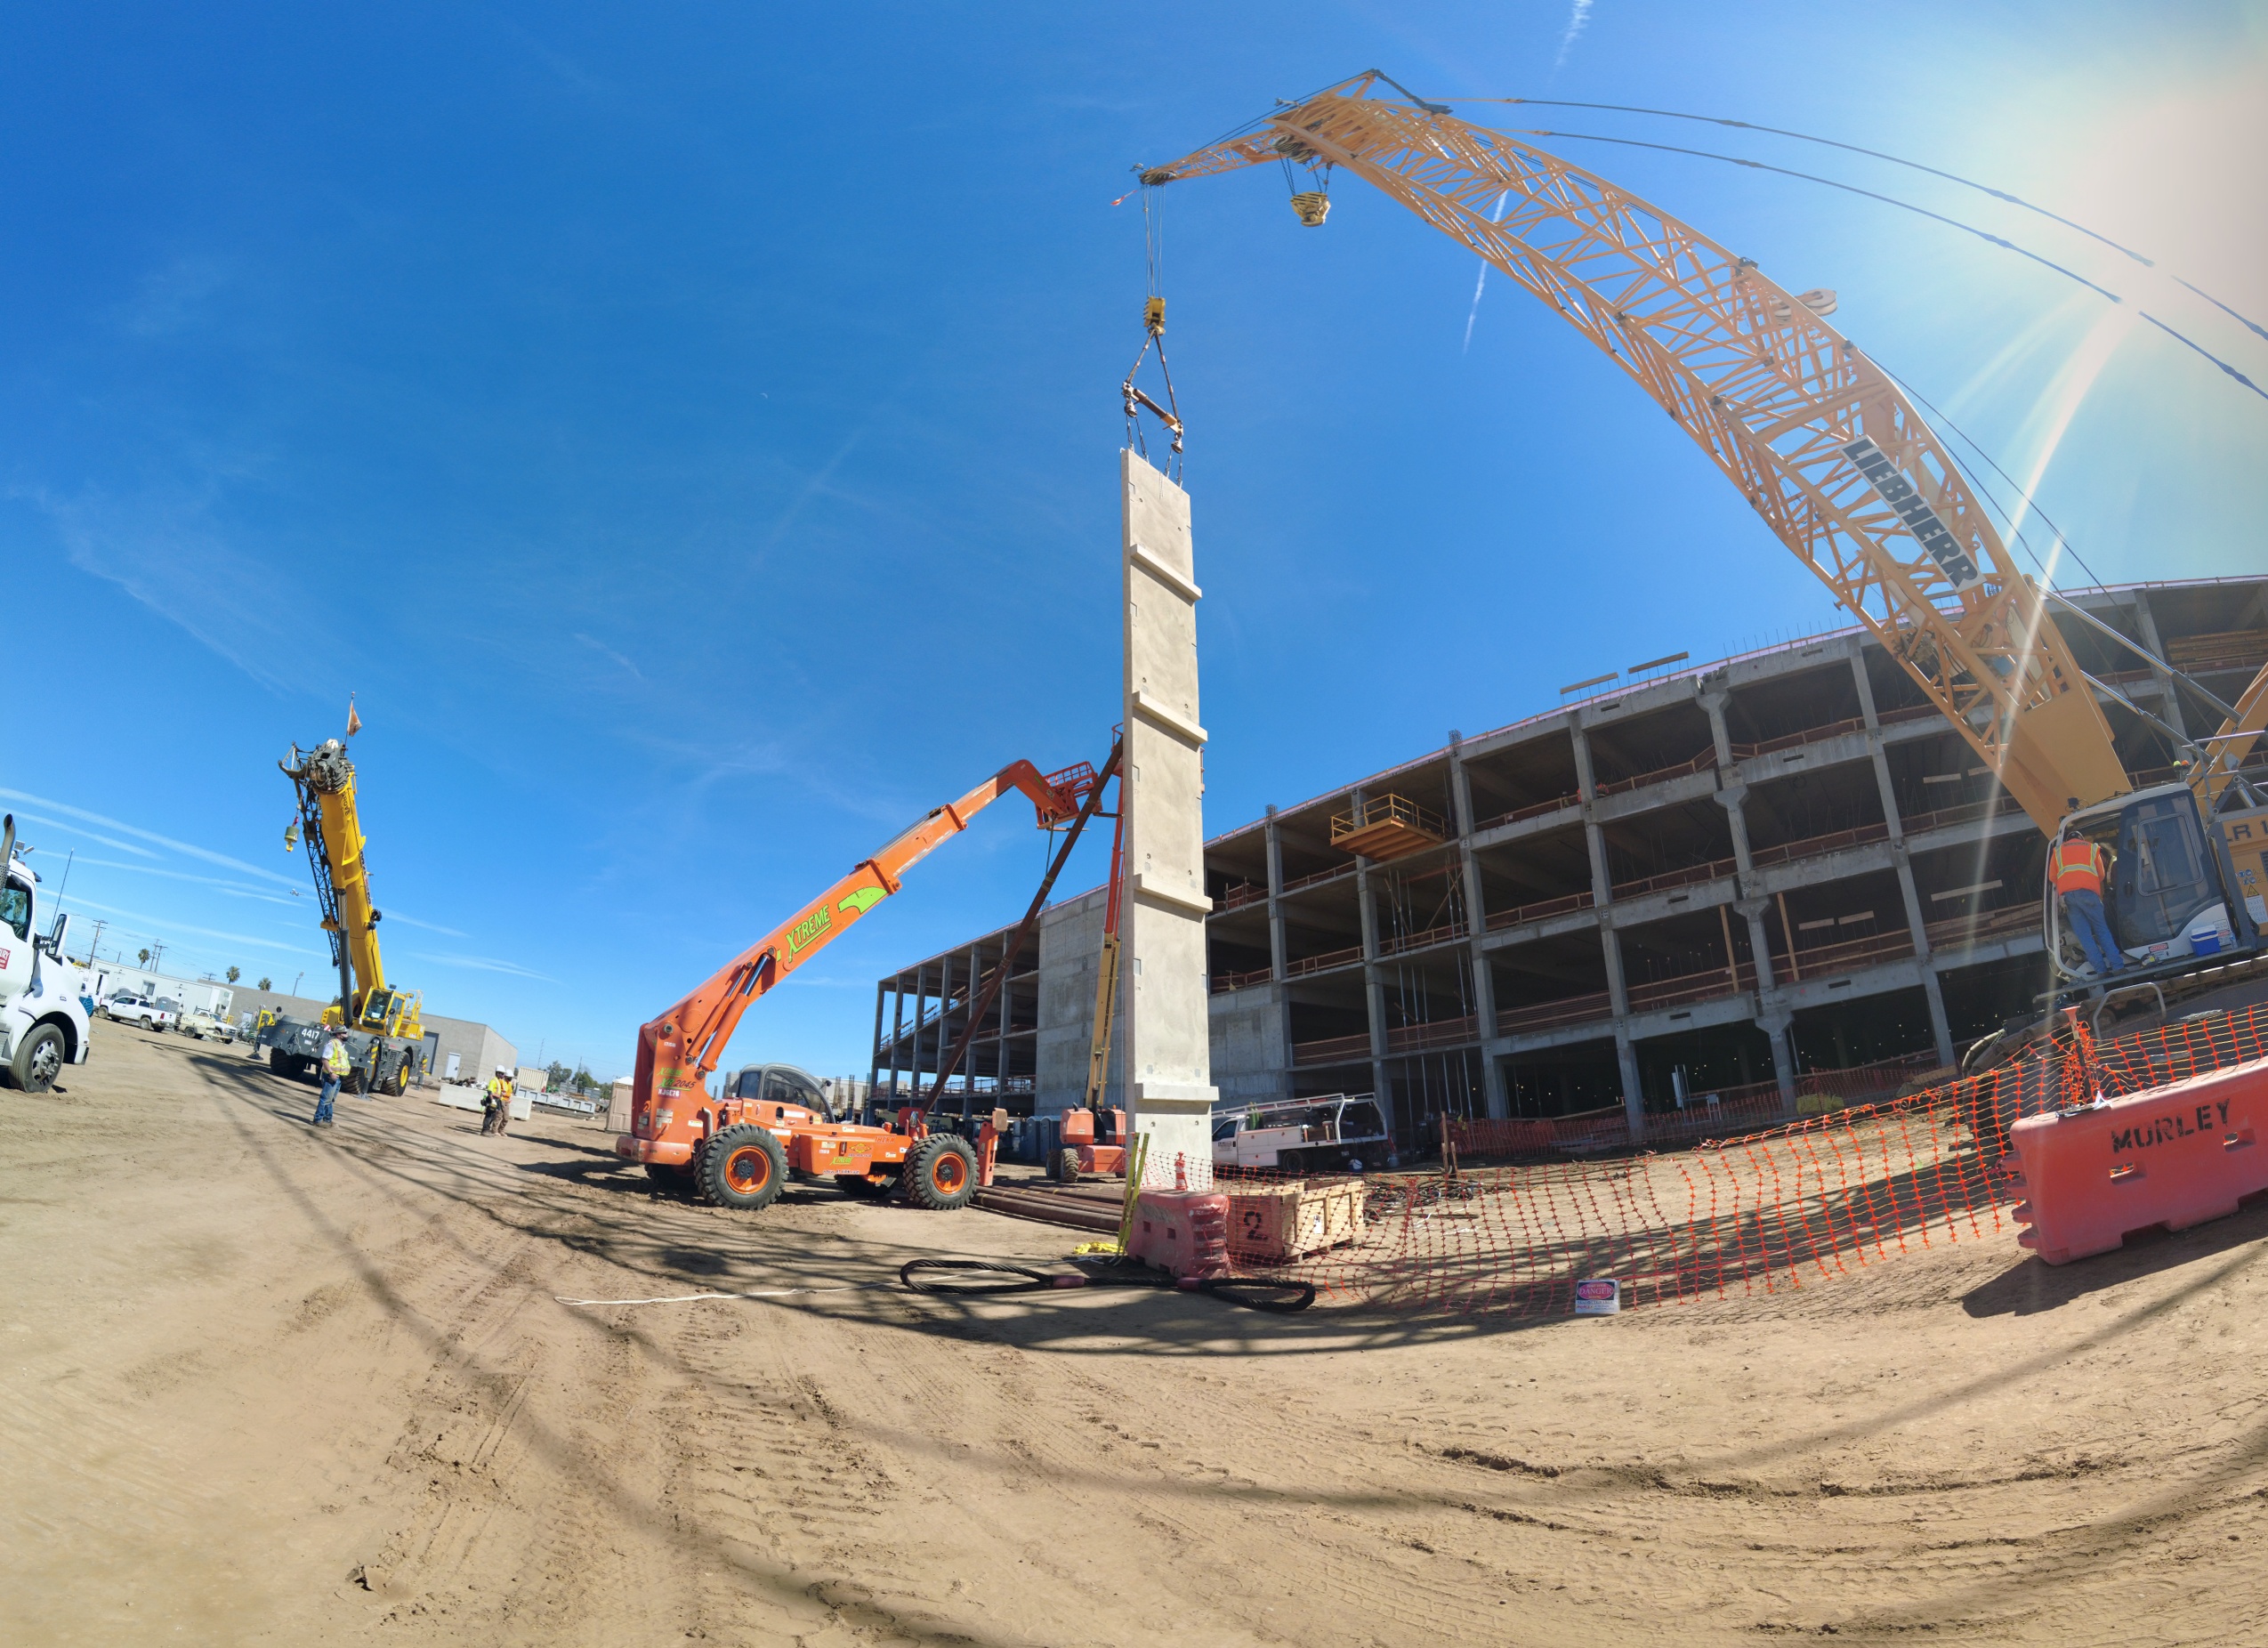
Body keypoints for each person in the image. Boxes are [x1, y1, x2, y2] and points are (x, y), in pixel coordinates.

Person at [2054, 830, 2125, 979]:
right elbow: (2101, 874)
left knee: (2084, 936)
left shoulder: (2058, 852)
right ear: (2081, 839)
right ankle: (2117, 967)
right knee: (2101, 930)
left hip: (2068, 898)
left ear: (2067, 841)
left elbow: (2052, 877)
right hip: (2088, 895)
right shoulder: (2092, 848)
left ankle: (2101, 971)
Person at [314, 1030, 351, 1127]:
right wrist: (331, 1073)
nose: (347, 1035)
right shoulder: (332, 1044)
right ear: (338, 1035)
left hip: (339, 1077)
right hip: (332, 1076)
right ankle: (318, 1120)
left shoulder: (341, 1045)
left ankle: (327, 1120)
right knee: (325, 1098)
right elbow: (325, 1059)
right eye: (344, 1033)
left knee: (330, 1100)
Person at [481, 1066, 514, 1135]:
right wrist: (492, 1100)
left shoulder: (498, 1081)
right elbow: (490, 1091)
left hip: (497, 1100)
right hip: (493, 1099)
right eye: (502, 1074)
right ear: (498, 1073)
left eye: (503, 1074)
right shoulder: (494, 1080)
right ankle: (485, 1130)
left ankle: (487, 1129)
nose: (503, 1075)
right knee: (489, 1115)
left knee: (493, 1116)